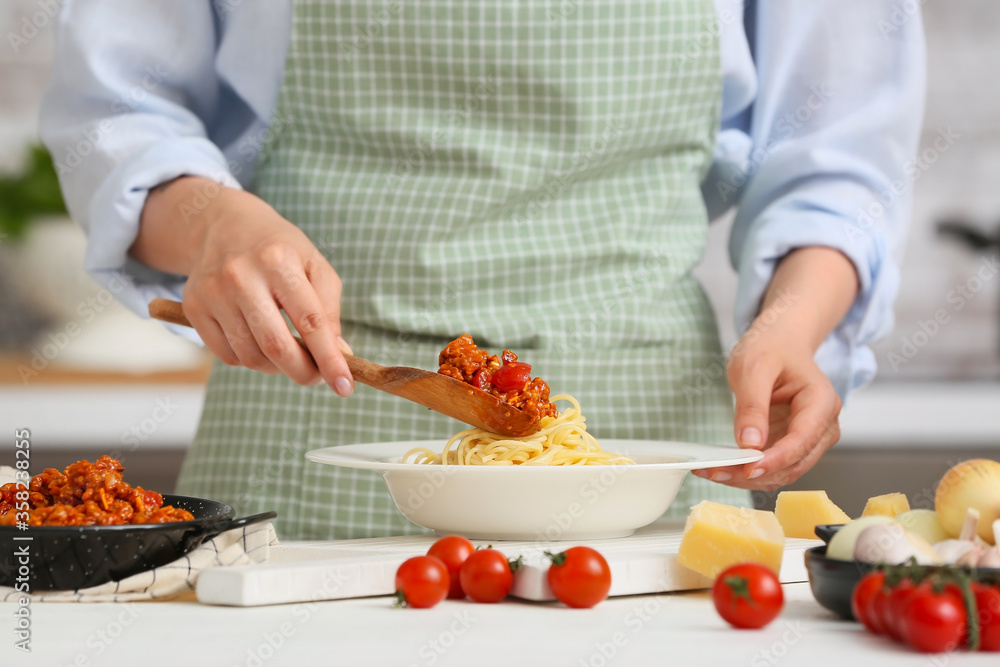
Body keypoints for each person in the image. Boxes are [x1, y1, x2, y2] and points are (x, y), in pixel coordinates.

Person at [40, 1, 924, 540]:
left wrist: (791, 325)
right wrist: (211, 224)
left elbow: (833, 155)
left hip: (645, 432)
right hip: (306, 411)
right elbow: (116, 112)